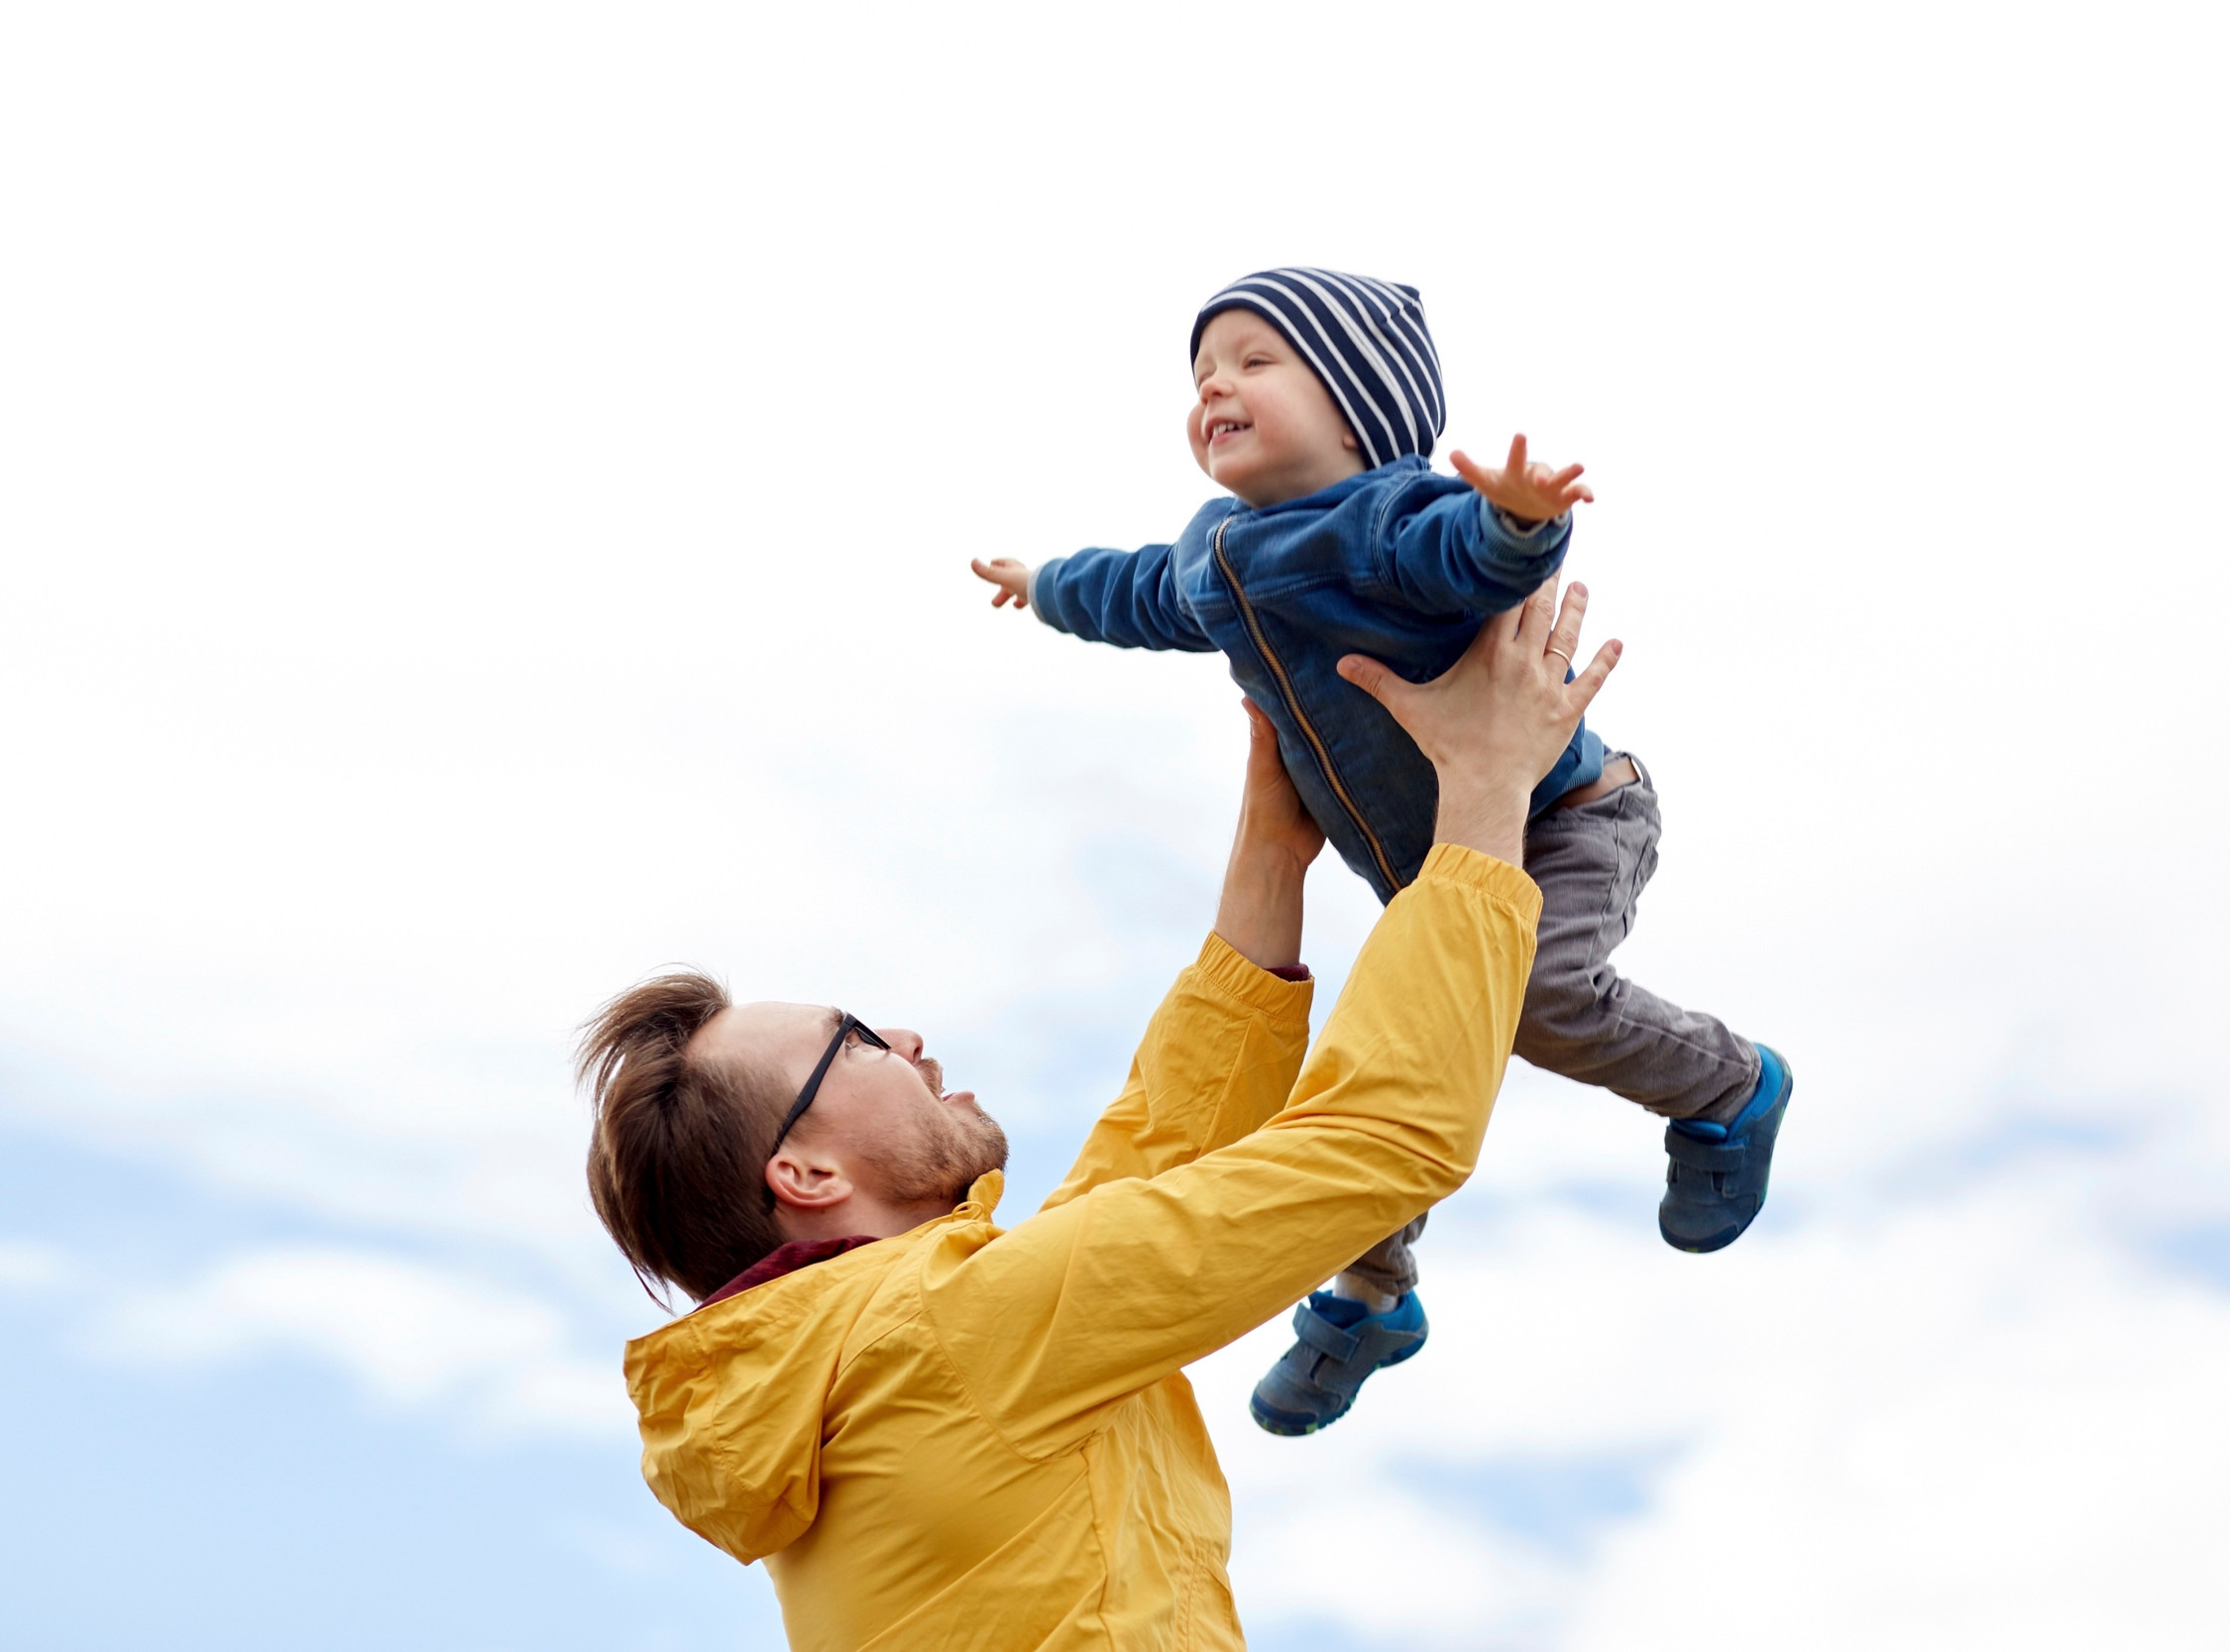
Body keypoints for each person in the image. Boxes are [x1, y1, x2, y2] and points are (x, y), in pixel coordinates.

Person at [579, 584, 1613, 1651]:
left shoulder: (863, 1365)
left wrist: (1269, 843)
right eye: (858, 1042)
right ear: (805, 1173)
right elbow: (1386, 1138)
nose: (910, 1039)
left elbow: (1149, 1163)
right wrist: (1486, 783)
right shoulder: (947, 1332)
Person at [969, 268, 1792, 1434]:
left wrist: (1516, 518)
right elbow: (1138, 589)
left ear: (1357, 406)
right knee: (1380, 1058)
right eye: (1202, 374)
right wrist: (1048, 586)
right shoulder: (1215, 550)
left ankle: (1725, 1083)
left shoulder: (1384, 515)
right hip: (1440, 872)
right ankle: (1368, 1297)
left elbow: (1460, 552)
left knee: (1537, 998)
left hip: (1564, 820)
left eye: (1255, 361)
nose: (1215, 387)